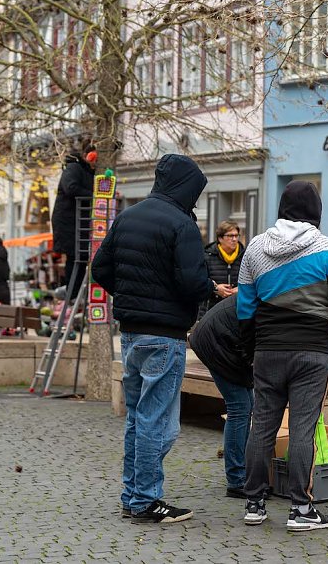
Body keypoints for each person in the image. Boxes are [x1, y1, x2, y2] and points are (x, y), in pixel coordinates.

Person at [91, 154, 213, 524]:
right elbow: (193, 284)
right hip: (165, 337)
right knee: (158, 423)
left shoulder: (127, 217)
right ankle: (146, 499)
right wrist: (210, 288)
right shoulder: (182, 224)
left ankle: (132, 495)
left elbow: (100, 269)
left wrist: (131, 297)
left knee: (136, 419)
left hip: (130, 334)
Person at [238, 180, 328, 532]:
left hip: (268, 351)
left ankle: (254, 503)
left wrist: (250, 351)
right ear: (315, 211)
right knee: (303, 429)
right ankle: (301, 510)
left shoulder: (256, 249)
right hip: (311, 353)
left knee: (261, 426)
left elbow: (245, 309)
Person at [189, 296, 253, 498]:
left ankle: (244, 473)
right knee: (240, 407)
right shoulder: (271, 301)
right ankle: (237, 480)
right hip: (216, 343)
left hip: (222, 340)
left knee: (247, 404)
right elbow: (250, 348)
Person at [52, 145, 96, 301]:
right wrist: (95, 195)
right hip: (69, 222)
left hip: (79, 222)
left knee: (81, 256)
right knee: (75, 256)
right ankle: (72, 295)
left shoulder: (87, 171)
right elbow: (71, 188)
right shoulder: (74, 168)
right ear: (87, 155)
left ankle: (74, 294)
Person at [198, 220, 245, 321]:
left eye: (237, 236)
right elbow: (199, 283)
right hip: (211, 311)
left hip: (237, 311)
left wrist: (241, 289)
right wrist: (215, 288)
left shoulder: (245, 256)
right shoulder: (207, 256)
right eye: (230, 236)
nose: (234, 239)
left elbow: (253, 281)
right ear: (220, 238)